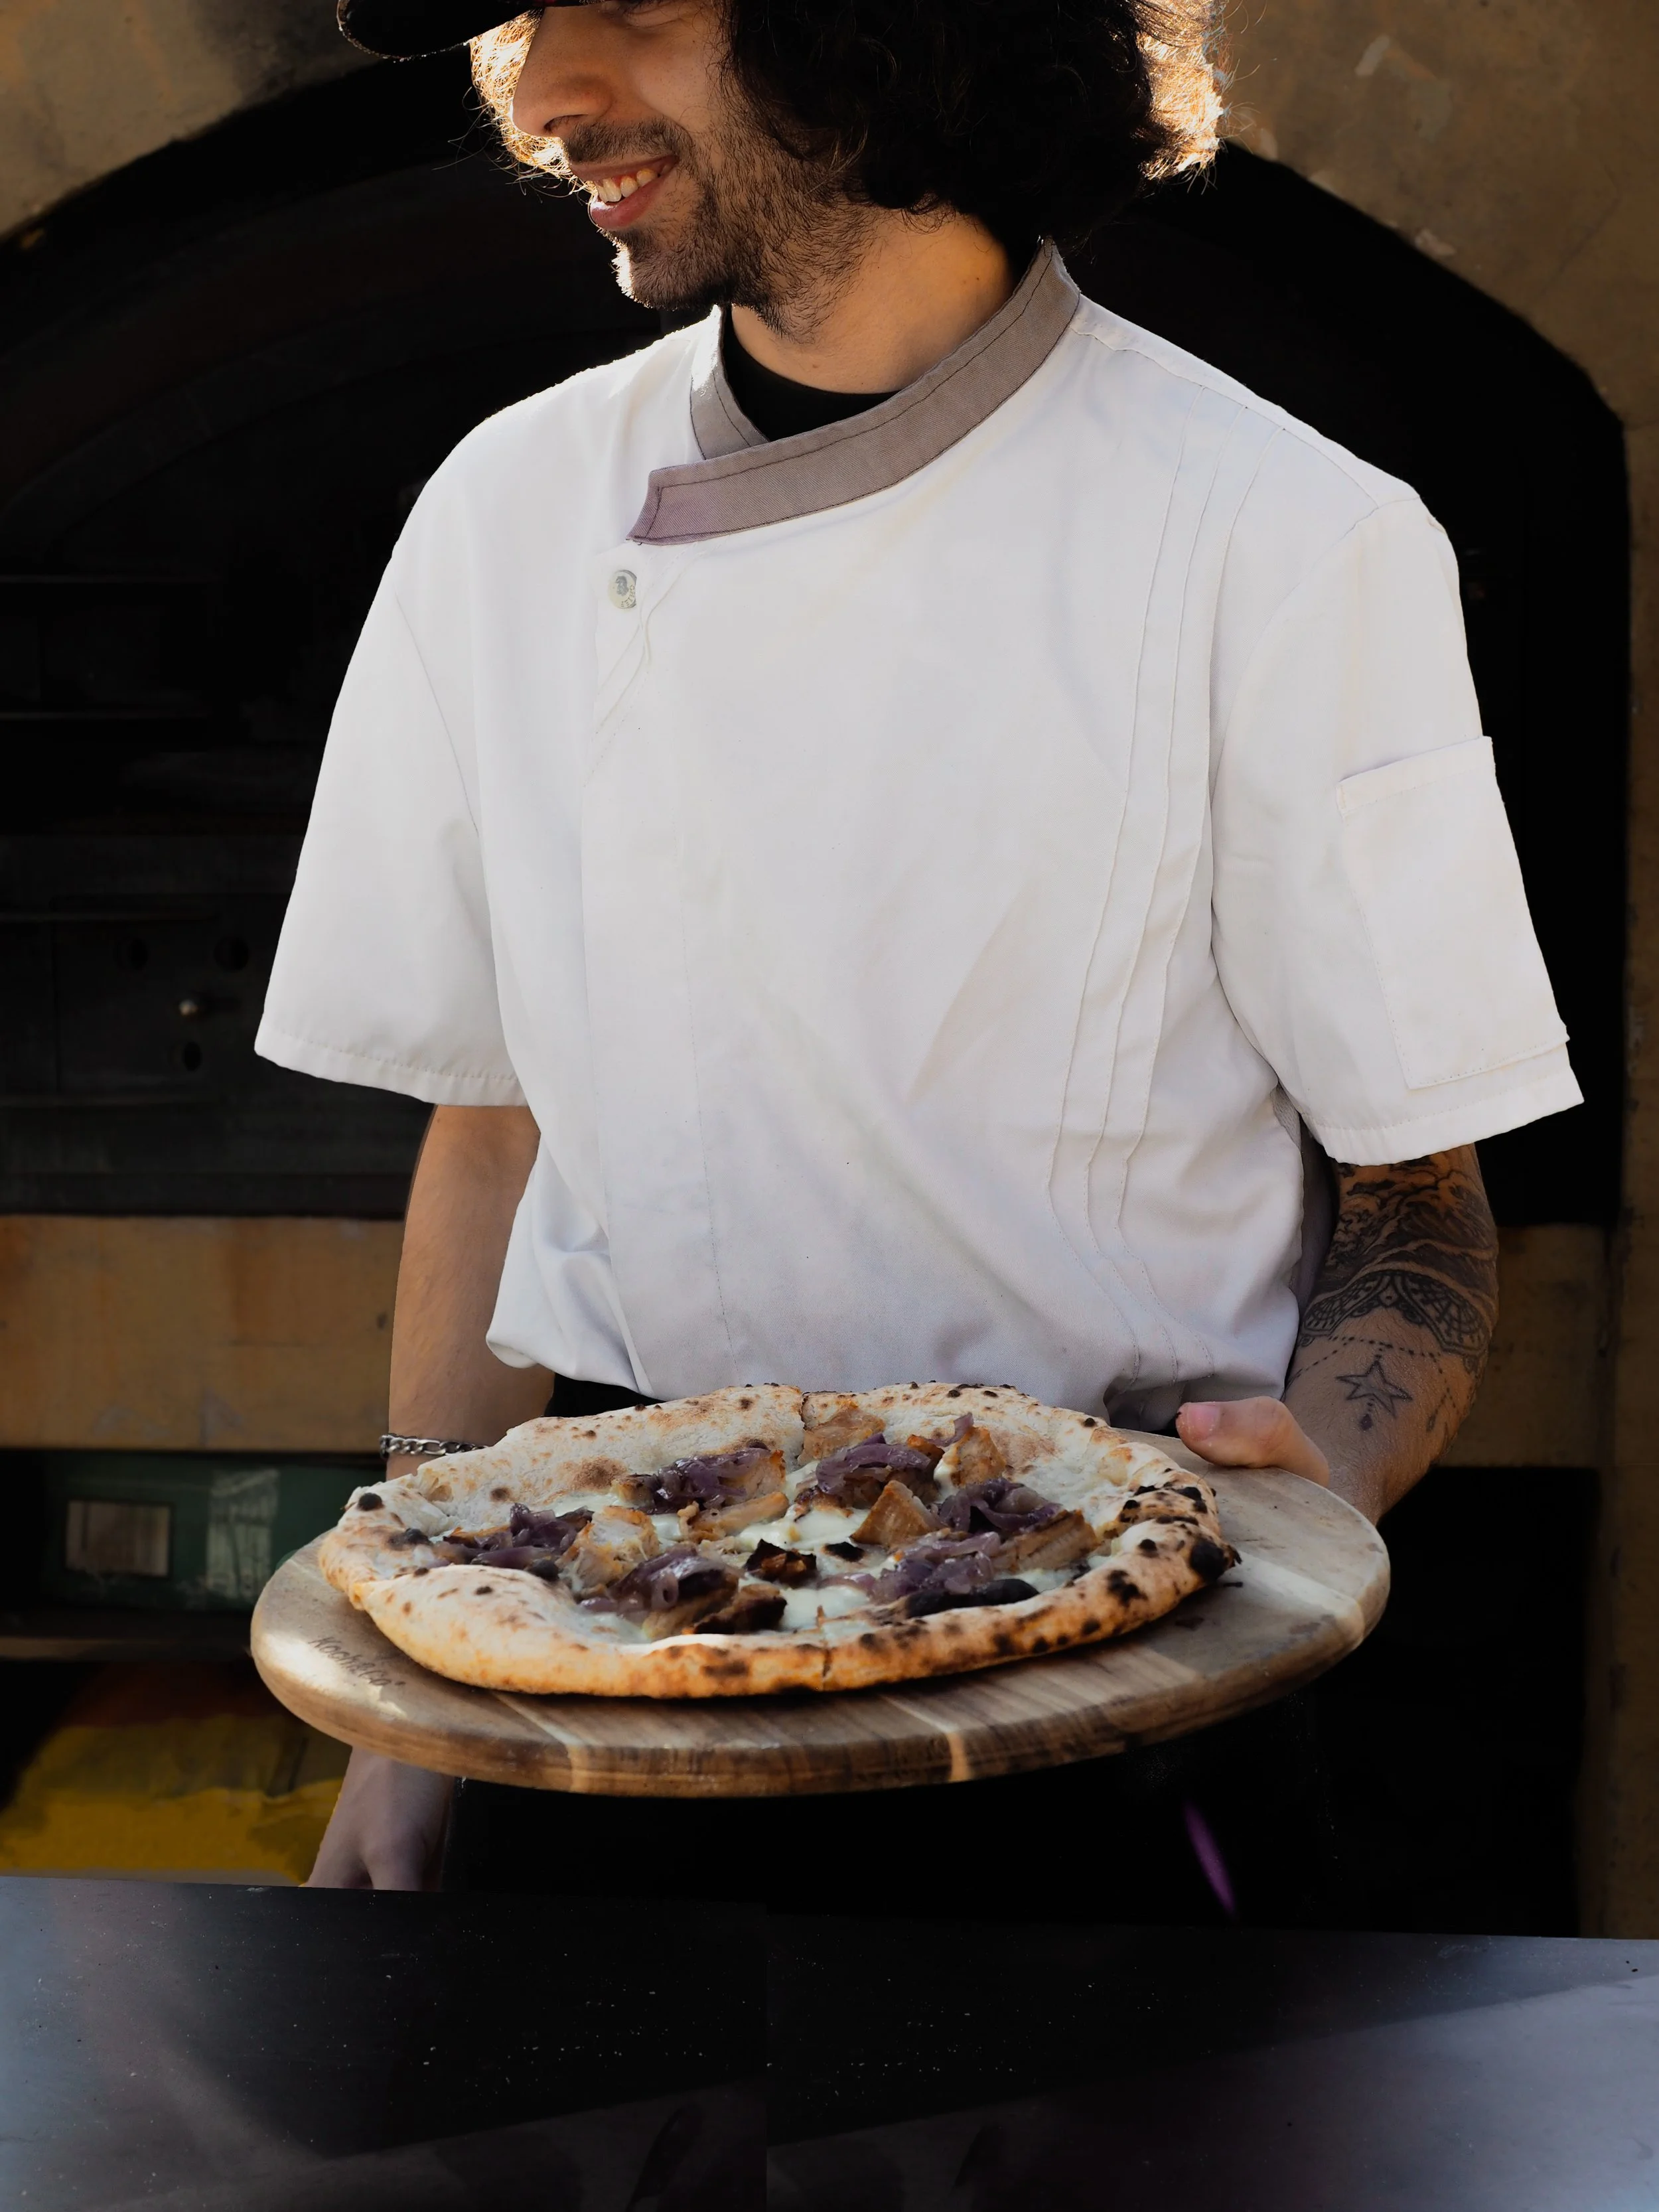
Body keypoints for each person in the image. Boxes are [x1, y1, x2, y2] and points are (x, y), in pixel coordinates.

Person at [265, 0, 1579, 1895]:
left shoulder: (1282, 535)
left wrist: (1324, 1470)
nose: (545, 94)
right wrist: (406, 1716)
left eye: (624, 2)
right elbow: (491, 1138)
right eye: (519, 22)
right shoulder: (504, 517)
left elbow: (1416, 1189)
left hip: (1102, 1689)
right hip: (613, 1647)